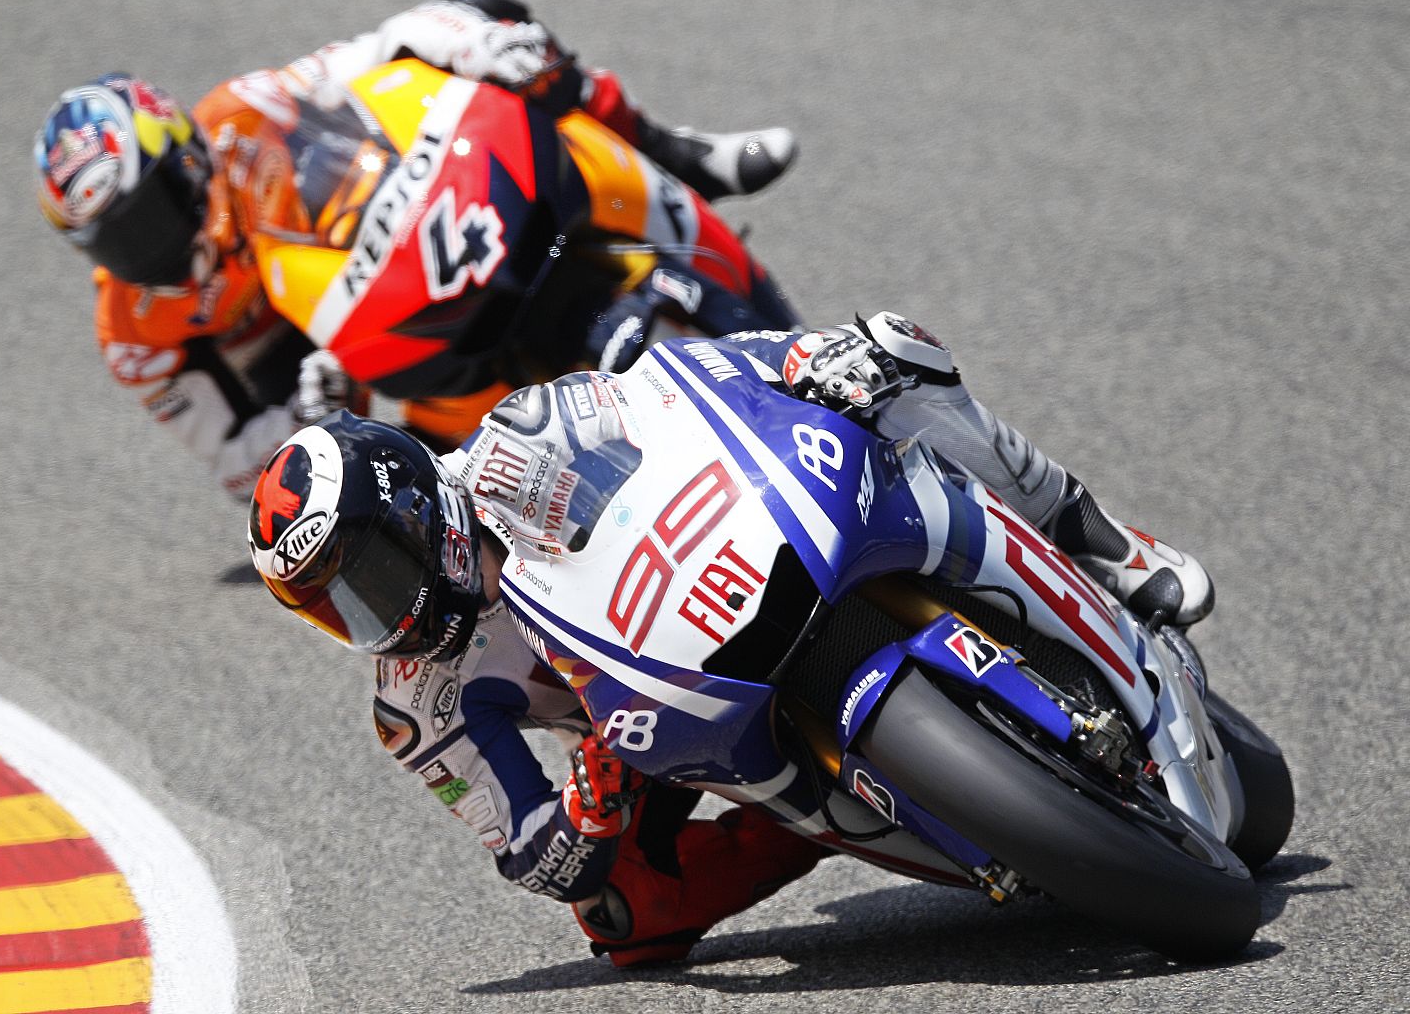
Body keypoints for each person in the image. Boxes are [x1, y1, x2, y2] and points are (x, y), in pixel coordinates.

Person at [244, 313, 1214, 967]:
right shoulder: (417, 701)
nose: (378, 616)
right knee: (620, 919)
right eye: (338, 608)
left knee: (892, 357)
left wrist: (799, 360)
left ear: (419, 511)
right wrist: (585, 817)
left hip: (724, 573)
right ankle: (856, 818)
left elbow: (681, 385)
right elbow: (531, 851)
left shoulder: (518, 438)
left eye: (368, 578)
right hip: (647, 733)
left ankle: (1100, 538)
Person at [33, 0, 799, 503]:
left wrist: (472, 41)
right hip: (327, 367)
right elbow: (237, 463)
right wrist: (306, 424)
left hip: (392, 245)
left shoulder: (241, 114)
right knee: (381, 500)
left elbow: (381, 49)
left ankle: (674, 150)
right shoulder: (134, 333)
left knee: (486, 12)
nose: (151, 248)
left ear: (187, 155)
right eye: (120, 242)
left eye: (153, 212)